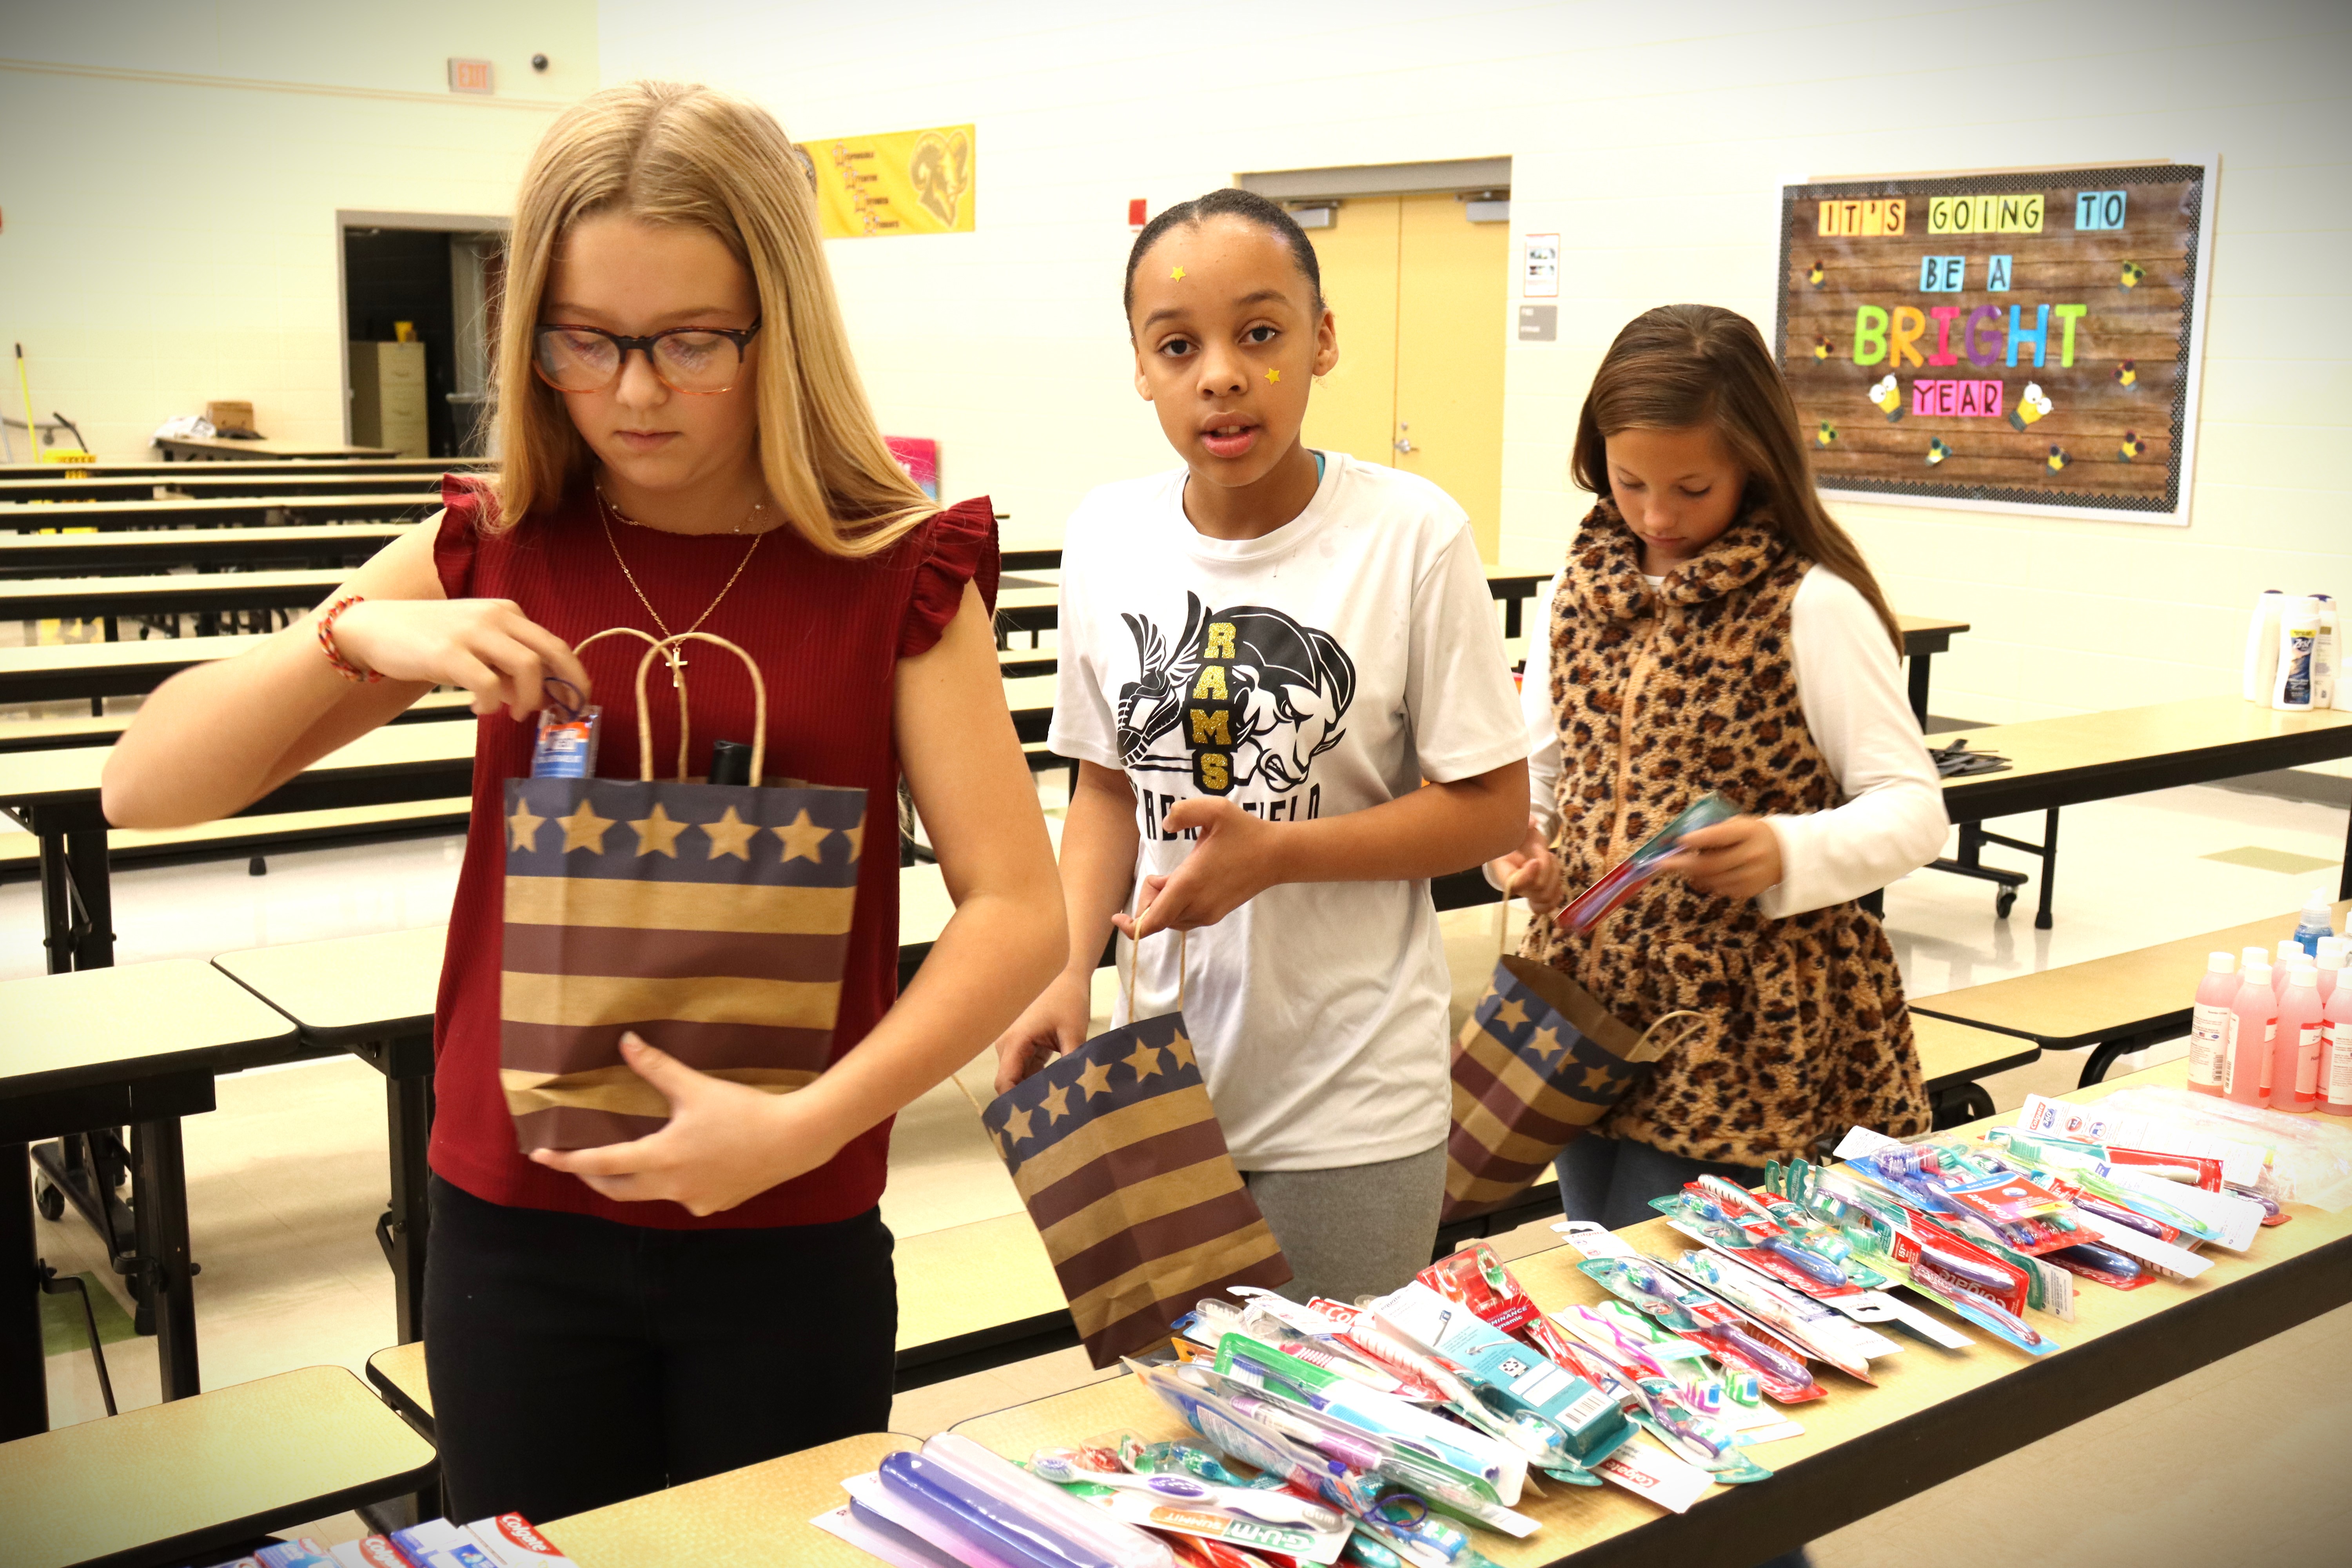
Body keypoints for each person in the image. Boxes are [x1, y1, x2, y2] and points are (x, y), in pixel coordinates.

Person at [102, 81, 1063, 1522]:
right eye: (585, 341)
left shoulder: (894, 567)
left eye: (692, 343)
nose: (634, 394)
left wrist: (809, 1128)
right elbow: (144, 788)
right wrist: (353, 635)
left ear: (781, 324)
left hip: (788, 1225)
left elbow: (1018, 908)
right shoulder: (491, 545)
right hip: (516, 1230)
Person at [989, 189, 1529, 1304]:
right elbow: (1105, 789)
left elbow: (1493, 809)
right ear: (1141, 368)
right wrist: (1064, 970)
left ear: (1322, 340)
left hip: (1352, 1093)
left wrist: (1278, 855)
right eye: (1178, 346)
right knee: (1172, 1401)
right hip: (1156, 1089)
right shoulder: (1108, 533)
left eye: (1261, 333)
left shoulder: (1411, 534)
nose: (1222, 376)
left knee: (1332, 1404)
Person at [1488, 302, 1945, 1232]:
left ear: (1754, 462)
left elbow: (1913, 807)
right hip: (1587, 998)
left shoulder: (1809, 603)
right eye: (1630, 483)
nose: (1658, 516)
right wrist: (1521, 844)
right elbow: (1542, 771)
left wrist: (1786, 848)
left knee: (1672, 1276)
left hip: (1740, 1025)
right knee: (1591, 1255)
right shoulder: (1578, 589)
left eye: (1692, 488)